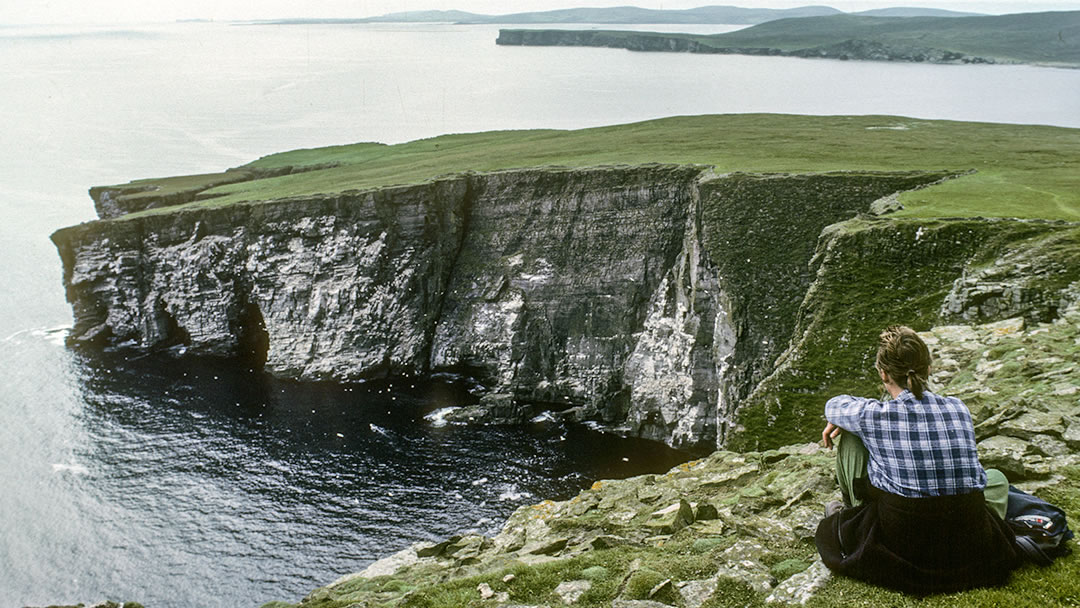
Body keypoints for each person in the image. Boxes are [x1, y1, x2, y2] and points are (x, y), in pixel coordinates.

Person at [814, 325, 1022, 595]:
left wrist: (843, 421)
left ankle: (851, 509)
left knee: (852, 438)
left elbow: (834, 405)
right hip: (967, 539)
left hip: (906, 540)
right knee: (997, 479)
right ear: (929, 369)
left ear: (883, 373)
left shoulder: (874, 416)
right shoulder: (958, 408)